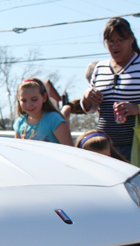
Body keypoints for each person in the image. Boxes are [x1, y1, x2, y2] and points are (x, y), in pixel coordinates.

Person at [81, 17, 140, 160]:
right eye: (110, 42)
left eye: (120, 40)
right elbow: (90, 108)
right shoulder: (100, 68)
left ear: (131, 39)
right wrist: (87, 96)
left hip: (134, 144)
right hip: (105, 146)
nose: (115, 46)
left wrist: (137, 109)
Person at [13, 78, 73, 145]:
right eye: (24, 100)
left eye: (34, 99)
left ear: (44, 97)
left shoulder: (54, 119)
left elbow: (69, 150)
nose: (29, 105)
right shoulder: (19, 123)